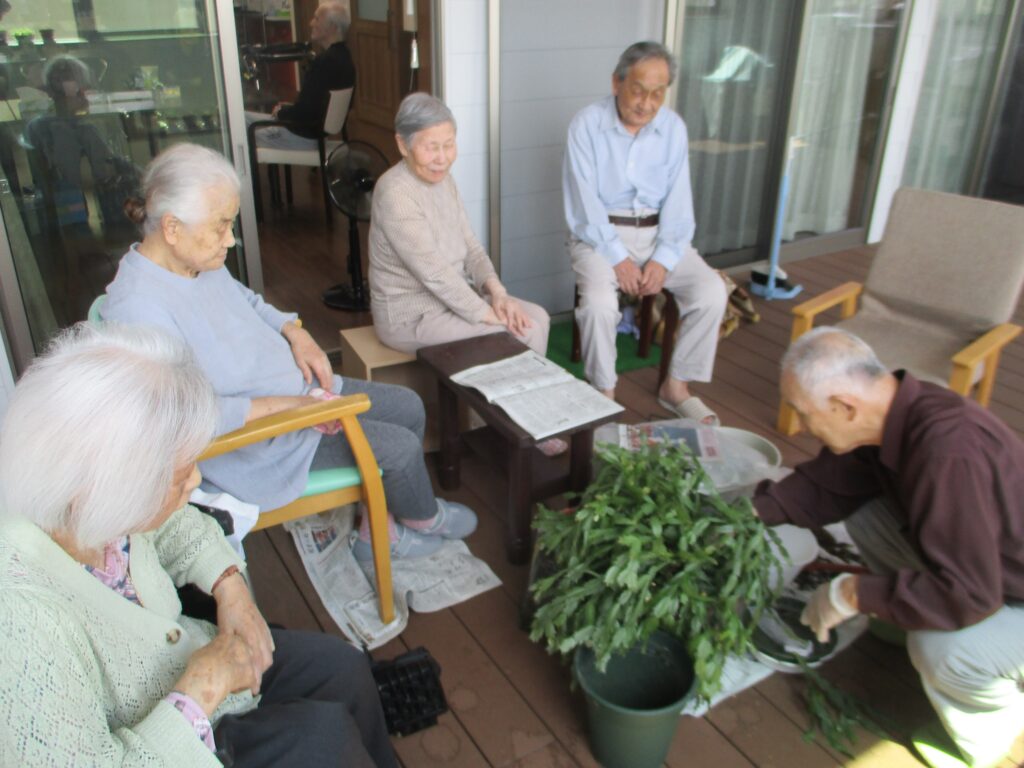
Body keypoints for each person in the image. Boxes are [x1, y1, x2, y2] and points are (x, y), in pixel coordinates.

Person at [0, 322, 397, 766]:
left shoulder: (87, 511)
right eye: (177, 476)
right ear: (107, 489)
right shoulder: (21, 619)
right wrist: (200, 690)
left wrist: (230, 585)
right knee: (327, 741)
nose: (195, 482)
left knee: (343, 667)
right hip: (174, 740)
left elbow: (169, 528)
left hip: (205, 667)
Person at [102, 142, 476, 562]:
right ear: (171, 227)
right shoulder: (137, 308)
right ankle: (419, 518)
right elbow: (187, 418)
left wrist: (295, 332)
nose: (231, 239)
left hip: (304, 397)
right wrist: (296, 406)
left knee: (407, 406)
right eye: (221, 225)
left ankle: (379, 525)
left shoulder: (195, 260)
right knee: (401, 447)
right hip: (265, 444)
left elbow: (249, 301)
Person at [753, 327, 1024, 768]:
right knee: (862, 508)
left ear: (844, 406)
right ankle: (912, 613)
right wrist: (753, 513)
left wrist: (852, 594)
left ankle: (986, 737)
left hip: (1004, 594)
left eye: (803, 413)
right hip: (984, 565)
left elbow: (971, 594)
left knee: (941, 652)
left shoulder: (947, 452)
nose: (799, 427)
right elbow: (835, 481)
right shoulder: (900, 410)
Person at [563, 41, 727, 425]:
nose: (647, 103)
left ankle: (676, 386)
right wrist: (618, 259)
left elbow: (679, 205)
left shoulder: (673, 128)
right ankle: (603, 392)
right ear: (617, 82)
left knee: (711, 292)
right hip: (598, 235)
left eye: (658, 93)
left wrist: (664, 259)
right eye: (638, 90)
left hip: (659, 234)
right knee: (601, 305)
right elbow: (584, 206)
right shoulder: (586, 124)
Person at [369, 92, 550, 357]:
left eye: (449, 144)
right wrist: (486, 314)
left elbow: (472, 248)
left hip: (453, 302)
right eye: (431, 147)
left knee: (538, 317)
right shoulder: (395, 193)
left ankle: (518, 396)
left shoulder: (443, 180)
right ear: (402, 145)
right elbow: (434, 272)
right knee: (521, 330)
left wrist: (498, 294)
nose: (442, 158)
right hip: (411, 317)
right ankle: (506, 398)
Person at [246, 0, 355, 151]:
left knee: (244, 133)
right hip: (316, 130)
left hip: (301, 134)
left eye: (317, 19)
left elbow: (305, 113)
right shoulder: (344, 58)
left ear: (332, 28)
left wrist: (282, 112)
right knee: (243, 118)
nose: (311, 23)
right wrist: (287, 109)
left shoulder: (324, 63)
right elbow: (315, 105)